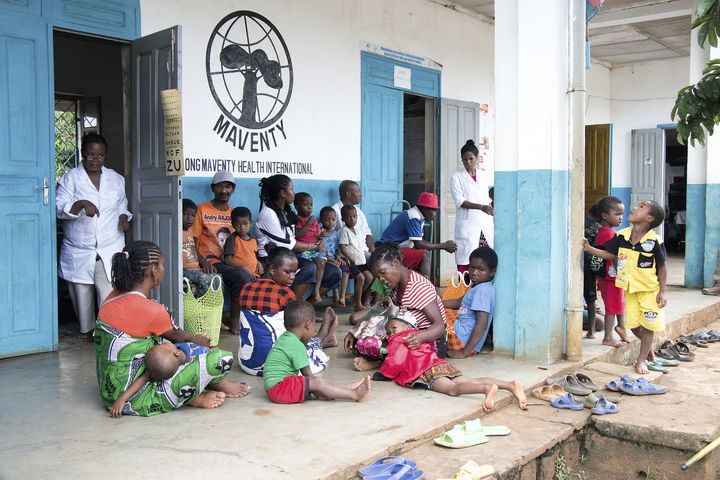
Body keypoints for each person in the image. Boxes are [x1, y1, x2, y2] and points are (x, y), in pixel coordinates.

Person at [95, 240, 249, 417]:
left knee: (163, 346)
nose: (163, 269)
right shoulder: (152, 310)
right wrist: (200, 341)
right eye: (162, 264)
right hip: (137, 397)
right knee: (217, 358)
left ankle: (208, 384)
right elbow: (180, 338)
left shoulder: (110, 298)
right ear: (153, 271)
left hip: (111, 395)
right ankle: (193, 396)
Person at [56, 133, 132, 339]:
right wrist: (80, 204)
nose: (95, 159)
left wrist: (124, 216)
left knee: (108, 290)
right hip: (80, 247)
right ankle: (87, 331)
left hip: (109, 243)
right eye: (90, 155)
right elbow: (59, 208)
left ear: (105, 156)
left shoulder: (115, 179)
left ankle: (107, 330)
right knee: (81, 294)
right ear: (83, 154)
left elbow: (121, 204)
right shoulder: (70, 178)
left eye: (100, 156)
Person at [584, 200, 667, 375]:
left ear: (649, 218)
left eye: (642, 207)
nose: (635, 207)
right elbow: (609, 254)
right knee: (634, 326)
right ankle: (649, 351)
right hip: (630, 290)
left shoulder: (654, 241)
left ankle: (641, 360)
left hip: (649, 291)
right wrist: (589, 248)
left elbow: (662, 267)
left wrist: (663, 291)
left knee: (649, 327)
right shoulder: (621, 236)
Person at [379, 315, 527, 412]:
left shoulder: (398, 339)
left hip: (425, 371)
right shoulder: (421, 336)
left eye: (394, 328)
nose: (392, 333)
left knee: (452, 389)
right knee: (471, 380)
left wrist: (383, 373)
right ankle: (510, 385)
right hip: (440, 364)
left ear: (409, 327)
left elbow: (396, 361)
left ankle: (487, 389)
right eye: (389, 332)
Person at [236, 247, 338, 376]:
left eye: (295, 272)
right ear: (272, 269)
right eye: (288, 272)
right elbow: (299, 337)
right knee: (304, 337)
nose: (293, 277)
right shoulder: (284, 293)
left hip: (248, 364)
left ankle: (325, 339)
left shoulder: (246, 287)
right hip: (277, 367)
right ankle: (323, 334)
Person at [263, 300, 371, 404]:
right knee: (317, 381)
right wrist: (319, 389)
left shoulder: (285, 338)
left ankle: (348, 388)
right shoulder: (297, 346)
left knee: (317, 383)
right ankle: (354, 394)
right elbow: (309, 375)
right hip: (279, 388)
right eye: (314, 327)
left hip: (277, 388)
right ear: (308, 324)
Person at [255, 174, 341, 301]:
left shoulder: (285, 212)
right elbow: (290, 245)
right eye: (291, 189)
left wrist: (317, 243)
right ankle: (291, 307)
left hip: (290, 256)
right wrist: (316, 245)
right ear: (283, 193)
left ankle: (304, 306)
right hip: (272, 259)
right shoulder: (269, 214)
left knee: (334, 272)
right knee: (309, 268)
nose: (293, 193)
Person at [191, 171, 253, 334]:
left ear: (232, 189)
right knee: (241, 276)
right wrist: (203, 262)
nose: (224, 190)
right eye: (220, 186)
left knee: (250, 274)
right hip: (211, 260)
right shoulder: (201, 210)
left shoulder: (235, 214)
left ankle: (239, 317)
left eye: (227, 187)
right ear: (213, 188)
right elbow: (193, 241)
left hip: (230, 259)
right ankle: (234, 320)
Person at [368, 243, 448, 363]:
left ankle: (382, 362)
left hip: (431, 341)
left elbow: (440, 327)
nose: (381, 280)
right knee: (367, 341)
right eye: (378, 276)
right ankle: (389, 360)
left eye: (383, 273)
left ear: (395, 264)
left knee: (380, 348)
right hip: (408, 336)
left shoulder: (419, 286)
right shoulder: (396, 287)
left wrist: (419, 337)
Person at [378, 192, 457, 276]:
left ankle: (418, 283)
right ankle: (426, 286)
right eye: (432, 210)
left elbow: (420, 241)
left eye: (435, 210)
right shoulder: (414, 217)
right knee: (423, 255)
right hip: (389, 250)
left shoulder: (417, 215)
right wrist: (443, 246)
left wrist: (444, 245)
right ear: (424, 209)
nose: (434, 214)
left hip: (396, 248)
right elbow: (419, 244)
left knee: (422, 252)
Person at [442, 247, 497, 358]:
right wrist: (438, 301)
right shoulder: (479, 287)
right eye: (472, 268)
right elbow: (459, 302)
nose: (474, 273)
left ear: (492, 272)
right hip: (462, 336)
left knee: (434, 316)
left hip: (462, 341)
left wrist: (464, 352)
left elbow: (481, 324)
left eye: (481, 270)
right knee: (439, 309)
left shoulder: (482, 291)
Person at [590, 196, 629, 347]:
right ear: (605, 216)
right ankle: (608, 336)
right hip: (611, 276)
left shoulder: (604, 231)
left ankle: (622, 328)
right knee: (612, 306)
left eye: (622, 214)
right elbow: (613, 256)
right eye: (617, 214)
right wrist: (622, 273)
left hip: (608, 276)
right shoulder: (609, 234)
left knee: (618, 303)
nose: (621, 218)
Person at [450, 140, 494, 273]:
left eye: (471, 158)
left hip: (484, 223)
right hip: (467, 224)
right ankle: (465, 290)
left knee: (486, 256)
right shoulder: (456, 177)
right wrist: (481, 207)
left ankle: (483, 288)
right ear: (461, 160)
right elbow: (460, 201)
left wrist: (490, 205)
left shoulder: (484, 175)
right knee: (466, 259)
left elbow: (488, 195)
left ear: (477, 158)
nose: (468, 162)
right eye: (465, 159)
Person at [293, 192, 328, 303]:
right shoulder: (296, 219)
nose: (309, 207)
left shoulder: (313, 221)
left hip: (314, 250)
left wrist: (320, 235)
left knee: (321, 262)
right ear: (297, 207)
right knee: (311, 266)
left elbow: (316, 234)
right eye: (305, 205)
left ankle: (316, 290)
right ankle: (301, 299)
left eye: (311, 205)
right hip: (302, 251)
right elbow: (298, 234)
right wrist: (309, 222)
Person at [182, 199, 220, 297]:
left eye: (192, 216)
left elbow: (194, 250)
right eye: (186, 214)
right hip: (184, 270)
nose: (189, 218)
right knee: (204, 279)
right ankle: (201, 305)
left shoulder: (191, 230)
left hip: (196, 269)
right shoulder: (176, 232)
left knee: (217, 279)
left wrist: (204, 264)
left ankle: (213, 308)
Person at [339, 204, 373, 310]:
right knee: (361, 278)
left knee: (370, 278)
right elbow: (343, 248)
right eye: (348, 217)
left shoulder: (357, 230)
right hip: (351, 261)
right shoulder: (344, 231)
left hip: (360, 260)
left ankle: (356, 297)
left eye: (354, 216)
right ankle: (358, 304)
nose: (352, 219)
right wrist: (352, 259)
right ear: (343, 219)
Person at [332, 180, 374, 260]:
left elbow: (368, 234)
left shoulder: (358, 211)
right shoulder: (335, 211)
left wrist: (372, 251)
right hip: (350, 255)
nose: (360, 195)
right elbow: (328, 236)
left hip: (365, 251)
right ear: (349, 194)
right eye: (358, 191)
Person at [224, 206, 263, 280]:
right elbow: (228, 260)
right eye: (238, 224)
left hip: (254, 275)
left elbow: (253, 256)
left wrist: (259, 263)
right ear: (232, 225)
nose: (242, 227)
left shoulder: (253, 240)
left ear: (251, 223)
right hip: (241, 275)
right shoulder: (232, 239)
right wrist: (243, 268)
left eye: (245, 224)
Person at [583, 205, 603, 339]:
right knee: (601, 321)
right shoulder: (599, 229)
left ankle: (590, 330)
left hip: (575, 266)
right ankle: (591, 331)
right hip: (588, 268)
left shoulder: (578, 222)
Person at [319, 206, 343, 306]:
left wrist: (337, 257)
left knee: (342, 268)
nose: (330, 222)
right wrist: (332, 261)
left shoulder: (335, 234)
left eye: (333, 219)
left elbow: (336, 249)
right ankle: (335, 295)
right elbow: (320, 252)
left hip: (333, 258)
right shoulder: (320, 233)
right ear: (321, 220)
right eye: (327, 219)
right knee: (336, 268)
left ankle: (336, 295)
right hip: (323, 258)